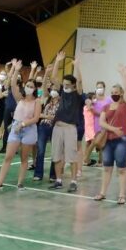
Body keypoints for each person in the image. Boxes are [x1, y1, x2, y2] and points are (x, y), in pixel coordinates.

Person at [0, 60, 42, 190]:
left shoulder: (37, 101)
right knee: (8, 156)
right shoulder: (19, 98)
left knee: (24, 158)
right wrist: (15, 69)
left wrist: (24, 124)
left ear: (35, 89)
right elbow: (13, 84)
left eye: (32, 86)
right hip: (16, 128)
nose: (29, 88)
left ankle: (20, 183)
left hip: (29, 130)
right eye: (28, 85)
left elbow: (36, 118)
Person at [94, 64, 126, 204]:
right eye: (112, 92)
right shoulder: (107, 106)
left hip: (121, 140)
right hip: (108, 140)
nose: (114, 94)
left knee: (122, 169)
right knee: (107, 168)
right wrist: (113, 130)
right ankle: (102, 193)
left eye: (117, 92)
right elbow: (101, 122)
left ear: (121, 93)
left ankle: (122, 195)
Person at [49, 51, 83, 192]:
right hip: (58, 127)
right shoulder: (62, 92)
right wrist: (57, 61)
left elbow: (80, 81)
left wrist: (77, 67)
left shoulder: (78, 94)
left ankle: (74, 181)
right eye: (64, 84)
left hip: (70, 128)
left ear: (74, 85)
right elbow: (53, 78)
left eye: (68, 84)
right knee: (56, 155)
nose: (65, 86)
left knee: (72, 156)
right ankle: (58, 180)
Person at [34, 80, 60, 181]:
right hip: (43, 126)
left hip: (55, 127)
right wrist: (46, 116)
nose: (53, 91)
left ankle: (53, 175)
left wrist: (50, 117)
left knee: (55, 151)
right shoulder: (47, 99)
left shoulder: (62, 102)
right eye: (52, 89)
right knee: (40, 150)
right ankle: (38, 174)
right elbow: (40, 114)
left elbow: (58, 117)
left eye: (55, 89)